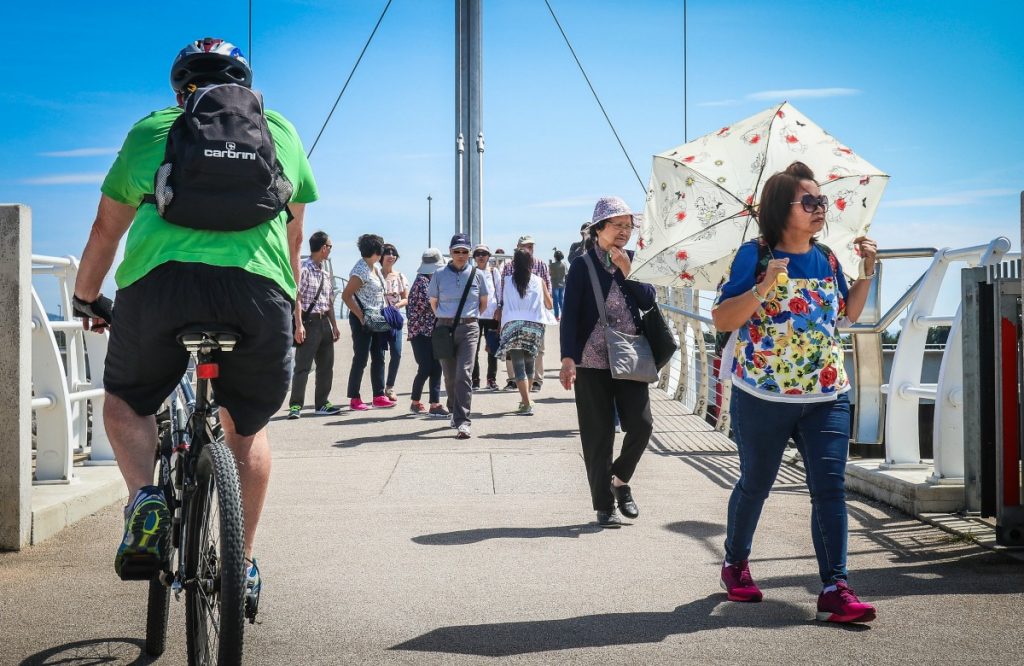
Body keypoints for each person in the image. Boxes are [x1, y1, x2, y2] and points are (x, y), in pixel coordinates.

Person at [71, 38, 317, 604]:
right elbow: (293, 235)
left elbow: (105, 230)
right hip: (258, 293)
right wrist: (295, 307)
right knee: (247, 429)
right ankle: (242, 566)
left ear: (179, 84)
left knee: (128, 403)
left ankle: (146, 503)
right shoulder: (279, 130)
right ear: (244, 84)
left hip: (161, 289)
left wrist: (87, 298)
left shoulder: (153, 130)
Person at [711, 161, 878, 623]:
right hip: (763, 394)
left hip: (826, 393)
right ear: (781, 209)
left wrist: (866, 272)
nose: (821, 208)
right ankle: (735, 562)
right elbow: (724, 319)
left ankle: (835, 587)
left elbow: (847, 315)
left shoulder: (826, 257)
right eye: (811, 201)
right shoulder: (755, 255)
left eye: (822, 200)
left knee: (830, 489)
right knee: (756, 484)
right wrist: (763, 287)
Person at [559, 196, 655, 527]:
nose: (624, 232)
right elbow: (569, 315)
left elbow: (648, 300)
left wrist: (629, 272)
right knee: (598, 434)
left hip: (630, 356)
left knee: (642, 425)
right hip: (591, 360)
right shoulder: (582, 265)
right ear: (600, 227)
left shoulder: (633, 260)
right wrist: (568, 358)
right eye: (618, 225)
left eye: (629, 227)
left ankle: (619, 480)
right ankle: (604, 505)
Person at [428, 233, 490, 439]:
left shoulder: (477, 274)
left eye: (465, 251)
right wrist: (446, 318)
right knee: (450, 375)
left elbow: (483, 302)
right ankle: (453, 408)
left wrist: (468, 318)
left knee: (464, 373)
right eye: (457, 251)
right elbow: (433, 302)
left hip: (469, 328)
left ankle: (463, 420)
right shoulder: (438, 274)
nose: (461, 255)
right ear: (450, 252)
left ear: (470, 253)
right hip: (444, 328)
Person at [288, 232, 341, 419]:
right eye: (330, 246)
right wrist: (299, 325)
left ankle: (322, 403)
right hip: (309, 322)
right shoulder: (303, 269)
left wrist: (334, 325)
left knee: (326, 366)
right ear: (323, 247)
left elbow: (329, 302)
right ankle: (295, 405)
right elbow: (298, 298)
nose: (330, 250)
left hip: (324, 322)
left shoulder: (325, 273)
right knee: (302, 366)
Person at [341, 234, 396, 411]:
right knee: (361, 358)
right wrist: (361, 317)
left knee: (379, 356)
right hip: (363, 320)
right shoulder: (361, 270)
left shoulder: (374, 268)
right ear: (376, 250)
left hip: (377, 318)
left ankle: (378, 395)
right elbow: (346, 295)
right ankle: (355, 398)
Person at [497, 249, 554, 415]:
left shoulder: (506, 281)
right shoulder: (539, 280)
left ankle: (527, 402)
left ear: (514, 263)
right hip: (534, 327)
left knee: (518, 367)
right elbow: (550, 305)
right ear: (531, 263)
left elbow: (501, 301)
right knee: (529, 365)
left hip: (513, 326)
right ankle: (526, 400)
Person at [406, 248, 449, 417]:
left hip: (429, 332)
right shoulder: (422, 282)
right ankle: (416, 402)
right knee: (426, 367)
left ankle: (434, 403)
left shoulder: (426, 280)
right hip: (421, 332)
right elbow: (432, 306)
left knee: (435, 367)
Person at [381, 242, 409, 402]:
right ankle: (378, 389)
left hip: (395, 319)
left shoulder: (399, 276)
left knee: (396, 353)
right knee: (379, 355)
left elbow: (406, 298)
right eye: (387, 252)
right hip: (379, 319)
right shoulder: (376, 275)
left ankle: (389, 386)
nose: (391, 255)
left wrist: (395, 306)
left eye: (393, 253)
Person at [471, 244, 501, 391]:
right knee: (473, 349)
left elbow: (499, 291)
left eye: (484, 254)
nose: (481, 256)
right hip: (476, 315)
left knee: (492, 349)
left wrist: (500, 308)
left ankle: (491, 379)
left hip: (492, 315)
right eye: (478, 254)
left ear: (489, 256)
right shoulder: (471, 272)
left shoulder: (494, 271)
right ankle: (474, 379)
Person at [549, 249, 567, 320]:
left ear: (555, 257)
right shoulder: (564, 265)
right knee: (561, 300)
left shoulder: (552, 265)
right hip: (562, 285)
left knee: (555, 301)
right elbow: (566, 274)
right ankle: (564, 315)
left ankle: (556, 316)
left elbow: (550, 273)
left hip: (555, 285)